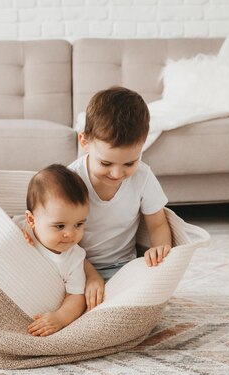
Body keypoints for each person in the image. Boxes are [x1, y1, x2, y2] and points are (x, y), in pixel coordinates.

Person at [69, 86, 173, 311]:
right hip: (75, 264)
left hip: (123, 266)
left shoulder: (143, 177)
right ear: (84, 142)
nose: (117, 174)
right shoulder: (72, 180)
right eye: (105, 163)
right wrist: (90, 275)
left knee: (140, 304)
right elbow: (63, 242)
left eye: (129, 163)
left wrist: (160, 249)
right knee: (73, 305)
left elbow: (158, 223)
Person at [13, 164, 89, 337]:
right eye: (59, 226)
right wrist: (17, 234)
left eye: (79, 224)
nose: (70, 234)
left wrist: (60, 318)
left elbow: (76, 296)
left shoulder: (74, 257)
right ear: (31, 220)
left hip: (36, 313)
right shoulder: (20, 228)